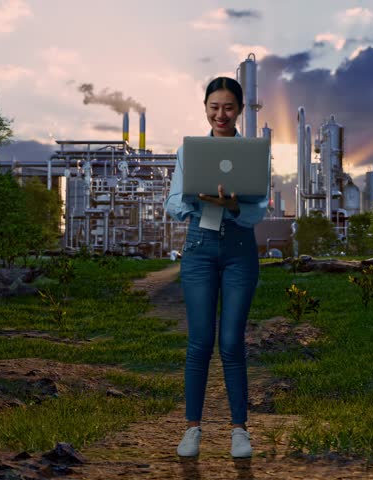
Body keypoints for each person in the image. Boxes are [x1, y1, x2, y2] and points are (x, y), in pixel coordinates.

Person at [164, 77, 269, 458]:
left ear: (240, 109)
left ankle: (239, 430)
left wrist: (235, 206)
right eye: (214, 107)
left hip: (240, 249)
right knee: (200, 342)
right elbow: (172, 203)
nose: (220, 114)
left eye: (228, 107)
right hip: (199, 248)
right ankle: (192, 429)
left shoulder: (254, 152)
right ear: (205, 108)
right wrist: (198, 200)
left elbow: (261, 209)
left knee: (231, 342)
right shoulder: (188, 151)